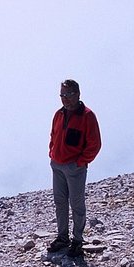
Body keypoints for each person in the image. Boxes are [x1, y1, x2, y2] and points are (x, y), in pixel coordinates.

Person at [47, 79, 102, 257]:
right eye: (62, 95)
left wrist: (80, 162)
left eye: (68, 94)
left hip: (74, 168)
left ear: (78, 94)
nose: (65, 99)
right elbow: (53, 135)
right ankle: (62, 238)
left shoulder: (87, 116)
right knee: (60, 202)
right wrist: (52, 153)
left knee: (76, 204)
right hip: (57, 166)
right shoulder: (59, 114)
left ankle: (77, 240)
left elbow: (94, 144)